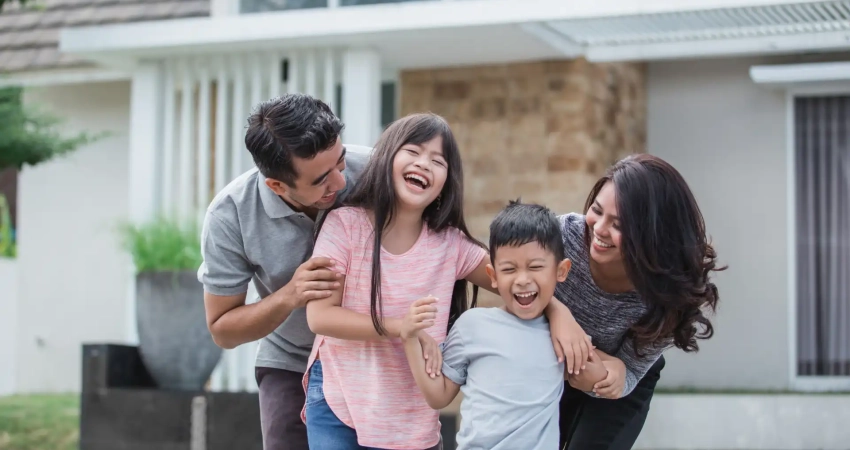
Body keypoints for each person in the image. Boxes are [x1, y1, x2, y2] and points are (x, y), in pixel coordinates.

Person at [301, 112, 493, 450]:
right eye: (414, 151)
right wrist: (399, 327)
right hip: (340, 399)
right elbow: (320, 317)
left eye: (438, 161)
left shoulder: (450, 244)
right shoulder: (345, 226)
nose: (424, 164)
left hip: (410, 415)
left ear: (446, 183)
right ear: (387, 156)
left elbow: (516, 280)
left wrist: (556, 310)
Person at [197, 93, 371, 450]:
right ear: (276, 185)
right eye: (321, 180)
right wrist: (289, 295)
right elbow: (222, 330)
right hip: (293, 361)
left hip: (377, 351)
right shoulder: (230, 216)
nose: (340, 183)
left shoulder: (375, 170)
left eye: (340, 163)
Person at [400, 200, 611, 450]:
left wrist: (618, 370)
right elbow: (438, 396)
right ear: (493, 277)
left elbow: (596, 376)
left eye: (535, 267)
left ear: (561, 271)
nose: (522, 280)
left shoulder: (562, 336)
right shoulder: (472, 326)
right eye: (509, 269)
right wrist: (409, 338)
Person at [551, 153, 725, 449]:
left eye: (618, 224)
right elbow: (511, 283)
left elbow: (628, 373)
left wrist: (614, 372)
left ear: (653, 235)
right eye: (596, 210)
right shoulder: (559, 238)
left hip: (622, 377)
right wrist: (558, 313)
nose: (600, 229)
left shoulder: (669, 294)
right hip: (551, 363)